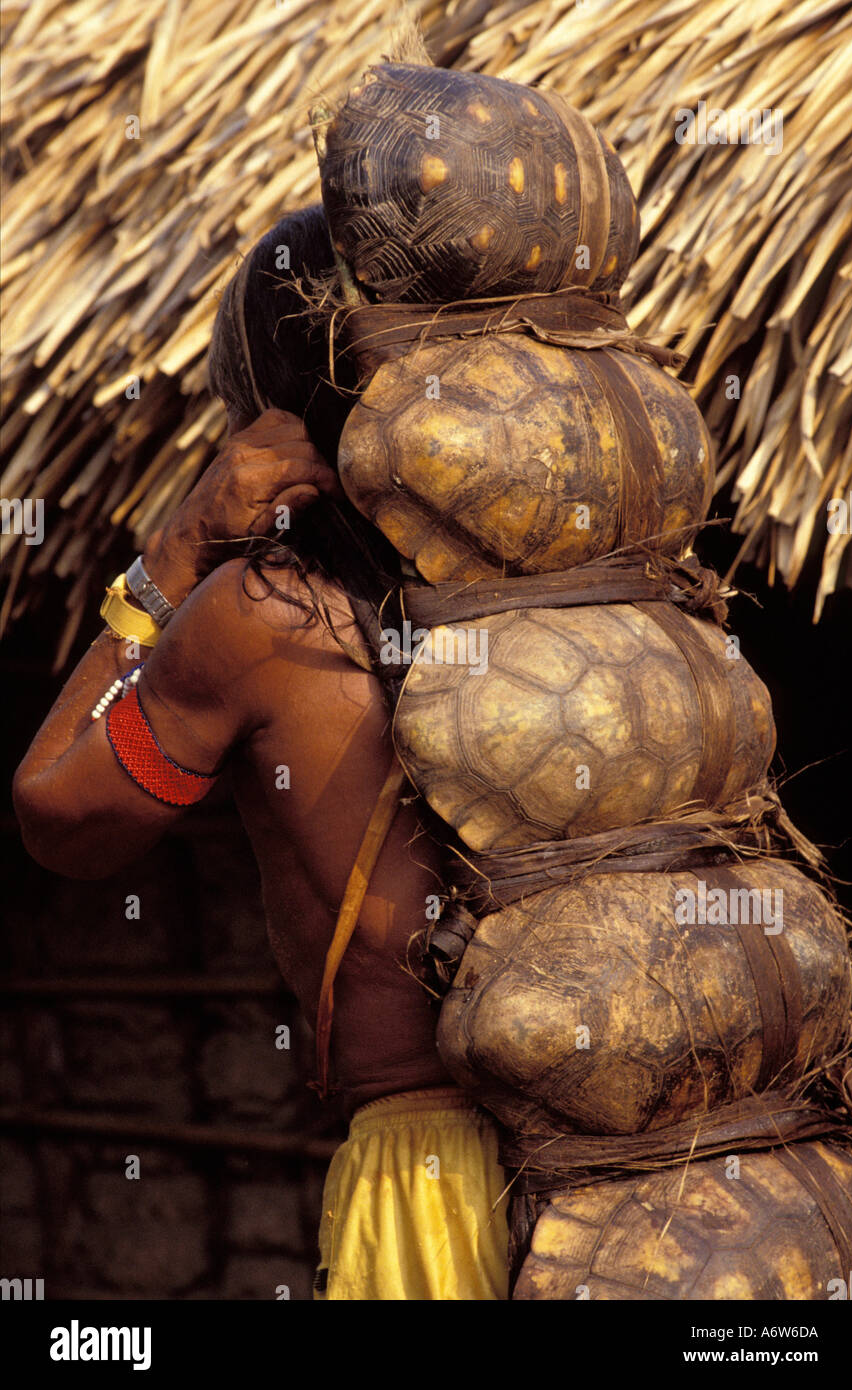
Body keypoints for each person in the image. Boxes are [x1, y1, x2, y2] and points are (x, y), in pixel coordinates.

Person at [12, 205, 509, 1301]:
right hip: (653, 1168)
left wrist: (174, 554)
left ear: (271, 411)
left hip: (438, 1190)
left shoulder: (265, 617)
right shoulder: (585, 577)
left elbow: (56, 811)